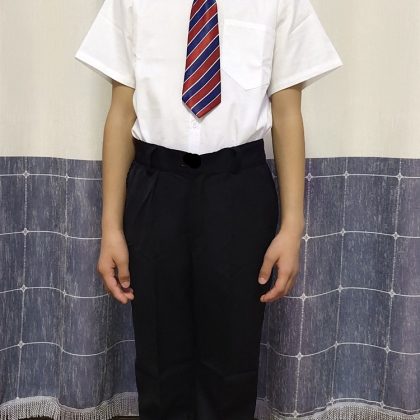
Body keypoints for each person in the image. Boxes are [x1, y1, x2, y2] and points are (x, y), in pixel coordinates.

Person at [74, 0, 343, 418]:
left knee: (232, 359)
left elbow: (287, 112)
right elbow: (121, 111)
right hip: (156, 186)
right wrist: (111, 227)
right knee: (160, 359)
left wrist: (292, 226)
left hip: (238, 190)